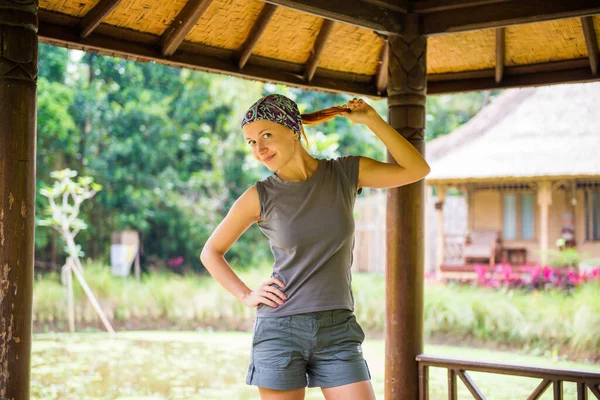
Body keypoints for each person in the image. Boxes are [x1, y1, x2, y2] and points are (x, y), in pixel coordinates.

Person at [200, 94, 430, 400]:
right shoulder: (260, 196)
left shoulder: (345, 174)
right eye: (251, 142)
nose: (259, 149)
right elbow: (210, 252)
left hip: (338, 329)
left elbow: (416, 168)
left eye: (266, 135)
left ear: (293, 129)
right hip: (280, 328)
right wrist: (246, 295)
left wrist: (373, 120)